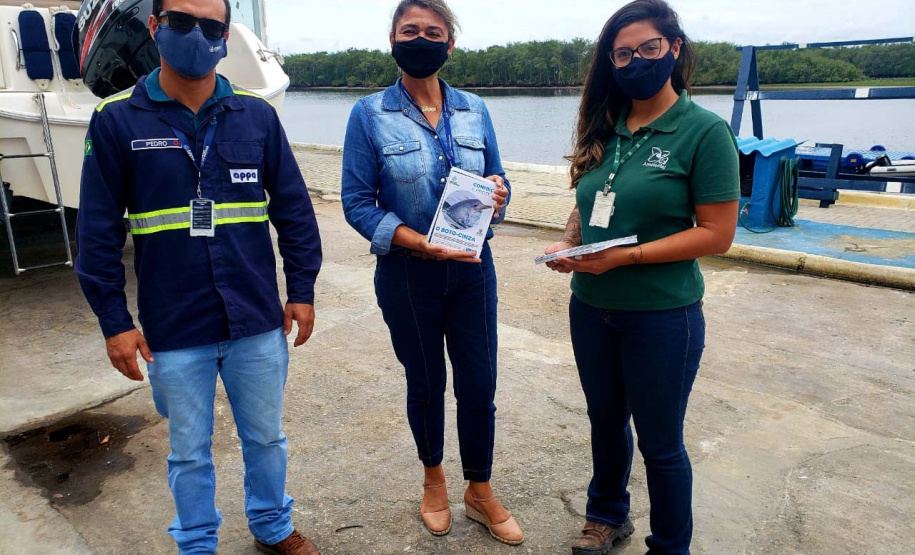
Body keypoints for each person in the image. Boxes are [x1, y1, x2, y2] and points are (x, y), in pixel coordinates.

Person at [75, 0, 322, 553]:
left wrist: (302, 291)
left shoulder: (256, 115)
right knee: (188, 449)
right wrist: (114, 322)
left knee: (266, 438)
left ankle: (272, 526)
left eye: (211, 26)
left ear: (225, 33)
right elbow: (95, 235)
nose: (197, 34)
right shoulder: (116, 118)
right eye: (181, 21)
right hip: (174, 323)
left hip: (256, 318)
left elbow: (294, 212)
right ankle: (196, 543)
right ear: (155, 27)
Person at [543, 1, 739, 554]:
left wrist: (624, 258)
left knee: (660, 443)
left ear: (674, 49)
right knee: (605, 423)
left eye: (648, 49)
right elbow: (589, 202)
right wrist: (569, 242)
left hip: (662, 315)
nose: (634, 62)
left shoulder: (703, 132)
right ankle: (606, 516)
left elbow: (716, 233)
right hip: (592, 308)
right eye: (622, 53)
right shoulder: (606, 123)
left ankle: (670, 545)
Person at [340, 0, 523, 546]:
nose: (421, 39)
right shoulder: (369, 114)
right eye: (409, 30)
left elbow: (498, 182)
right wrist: (414, 240)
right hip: (407, 274)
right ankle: (435, 481)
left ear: (450, 44)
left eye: (433, 31)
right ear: (393, 39)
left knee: (479, 382)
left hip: (473, 271)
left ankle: (480, 488)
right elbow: (356, 202)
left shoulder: (474, 110)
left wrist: (500, 194)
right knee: (425, 382)